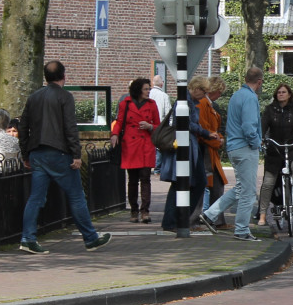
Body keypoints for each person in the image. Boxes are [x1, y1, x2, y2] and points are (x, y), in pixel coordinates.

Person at [18, 60, 110, 254]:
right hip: (59, 153)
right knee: (76, 196)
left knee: (35, 197)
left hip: (37, 153)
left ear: (46, 76)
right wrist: (76, 154)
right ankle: (90, 238)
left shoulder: (33, 97)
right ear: (63, 76)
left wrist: (26, 153)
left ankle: (27, 237)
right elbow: (70, 127)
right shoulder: (65, 97)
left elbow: (23, 126)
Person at [201, 67, 265, 241]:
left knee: (240, 188)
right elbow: (249, 126)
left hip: (233, 147)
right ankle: (242, 230)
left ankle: (209, 215)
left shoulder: (236, 95)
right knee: (248, 192)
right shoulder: (251, 98)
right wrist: (256, 143)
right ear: (259, 82)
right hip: (245, 147)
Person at [160, 76, 219, 232]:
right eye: (204, 91)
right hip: (184, 146)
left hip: (190, 146)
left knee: (189, 183)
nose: (205, 95)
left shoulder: (190, 101)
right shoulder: (184, 102)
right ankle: (174, 220)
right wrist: (206, 132)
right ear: (197, 89)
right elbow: (186, 123)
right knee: (186, 183)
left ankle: (177, 219)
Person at [257, 83, 293, 229]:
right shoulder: (270, 110)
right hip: (274, 148)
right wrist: (261, 137)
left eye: (284, 92)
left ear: (289, 94)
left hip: (292, 146)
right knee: (268, 183)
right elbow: (263, 125)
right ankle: (262, 214)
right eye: (278, 92)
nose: (281, 94)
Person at [111, 77, 159, 223]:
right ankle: (133, 210)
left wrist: (150, 127)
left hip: (145, 145)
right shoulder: (125, 104)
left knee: (145, 178)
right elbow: (119, 121)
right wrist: (114, 134)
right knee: (132, 180)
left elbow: (158, 125)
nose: (148, 91)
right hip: (130, 146)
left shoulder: (152, 104)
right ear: (138, 90)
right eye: (146, 89)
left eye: (149, 89)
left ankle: (145, 211)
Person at [199, 76, 229, 212]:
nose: (220, 96)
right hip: (206, 150)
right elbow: (205, 128)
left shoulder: (210, 105)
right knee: (207, 183)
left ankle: (213, 216)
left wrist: (220, 138)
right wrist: (218, 141)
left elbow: (216, 128)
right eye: (219, 92)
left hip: (211, 150)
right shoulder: (204, 104)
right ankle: (206, 215)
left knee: (215, 183)